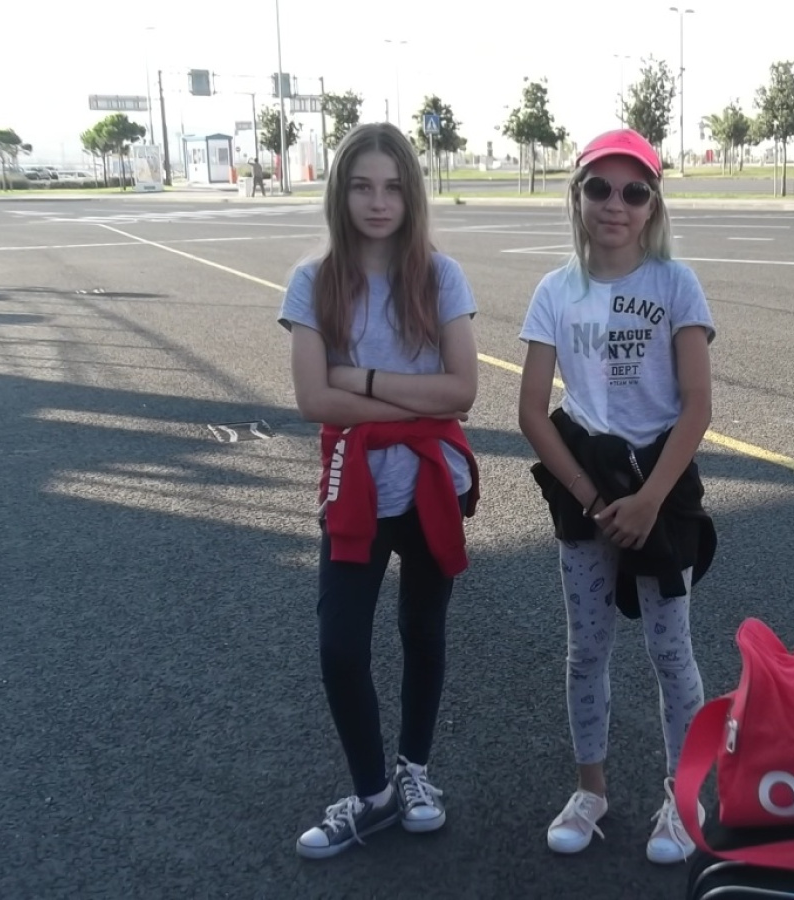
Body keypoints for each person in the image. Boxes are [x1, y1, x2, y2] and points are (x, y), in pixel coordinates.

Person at [277, 122, 480, 859]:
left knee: (423, 633)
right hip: (355, 484)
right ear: (341, 192)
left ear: (411, 194)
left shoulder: (440, 276)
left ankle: (414, 771)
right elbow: (312, 399)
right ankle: (372, 795)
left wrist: (358, 379)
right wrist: (415, 403)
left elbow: (463, 391)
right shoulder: (313, 282)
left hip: (430, 483)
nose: (378, 201)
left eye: (393, 187)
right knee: (339, 646)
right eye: (362, 185)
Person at [517, 128, 717, 864]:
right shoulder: (555, 291)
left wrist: (650, 500)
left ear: (653, 205)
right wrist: (590, 499)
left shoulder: (676, 284)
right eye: (600, 188)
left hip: (660, 485)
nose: (616, 204)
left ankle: (684, 797)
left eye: (635, 192)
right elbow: (532, 412)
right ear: (578, 196)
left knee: (670, 649)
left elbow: (696, 407)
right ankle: (591, 790)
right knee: (587, 650)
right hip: (586, 485)